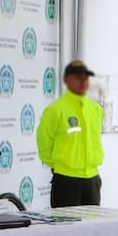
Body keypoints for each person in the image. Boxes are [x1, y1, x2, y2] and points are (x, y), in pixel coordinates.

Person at [37, 59, 104, 207]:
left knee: (92, 227)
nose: (83, 81)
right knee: (66, 228)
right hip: (66, 181)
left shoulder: (96, 110)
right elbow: (44, 142)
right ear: (67, 80)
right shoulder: (56, 110)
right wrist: (59, 165)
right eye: (77, 78)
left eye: (85, 77)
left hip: (92, 180)